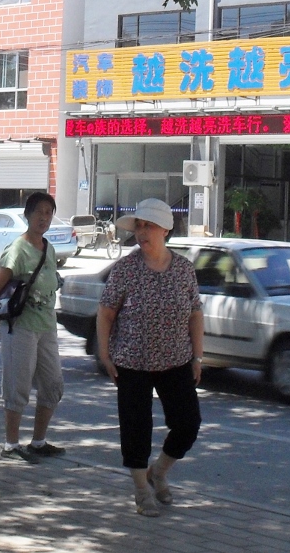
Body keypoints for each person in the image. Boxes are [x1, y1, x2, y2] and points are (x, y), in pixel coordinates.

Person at [96, 198, 203, 516]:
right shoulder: (126, 269)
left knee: (188, 424)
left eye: (149, 226)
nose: (142, 232)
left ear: (165, 230)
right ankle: (142, 490)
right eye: (139, 226)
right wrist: (105, 354)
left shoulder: (183, 269)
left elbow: (195, 313)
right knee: (136, 428)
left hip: (176, 361)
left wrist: (198, 357)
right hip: (132, 362)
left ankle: (159, 472)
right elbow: (106, 313)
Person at [0, 192, 65, 464]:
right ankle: (10, 445)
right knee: (17, 385)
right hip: (20, 328)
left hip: (46, 327)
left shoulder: (48, 248)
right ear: (27, 215)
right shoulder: (18, 249)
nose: (44, 217)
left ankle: (38, 442)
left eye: (48, 213)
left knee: (53, 384)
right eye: (39, 212)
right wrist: (3, 322)